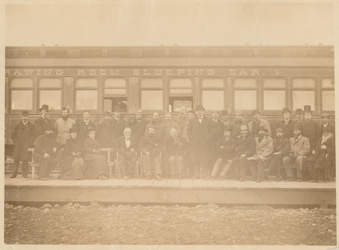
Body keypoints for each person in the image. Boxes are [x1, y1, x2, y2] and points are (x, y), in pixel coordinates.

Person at [187, 105, 212, 179]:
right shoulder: (192, 121)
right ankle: (196, 175)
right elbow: (188, 130)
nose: (199, 112)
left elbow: (212, 131)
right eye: (198, 111)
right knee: (195, 159)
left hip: (205, 143)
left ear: (203, 111)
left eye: (201, 110)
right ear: (195, 112)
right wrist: (191, 139)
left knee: (204, 159)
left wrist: (207, 139)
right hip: (195, 143)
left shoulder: (208, 120)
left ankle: (204, 175)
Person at [10, 111, 36, 178]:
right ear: (21, 117)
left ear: (28, 117)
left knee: (25, 159)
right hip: (18, 145)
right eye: (23, 116)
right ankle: (14, 174)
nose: (25, 118)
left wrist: (29, 142)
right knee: (16, 159)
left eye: (26, 116)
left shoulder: (31, 126)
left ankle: (24, 174)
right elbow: (13, 135)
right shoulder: (17, 125)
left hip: (26, 145)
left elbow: (34, 135)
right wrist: (16, 142)